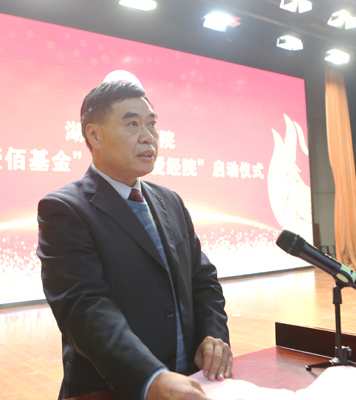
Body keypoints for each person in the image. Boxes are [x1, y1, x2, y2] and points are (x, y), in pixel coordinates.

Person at [37, 80, 232, 400]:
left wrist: (212, 336)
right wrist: (151, 378)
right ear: (94, 135)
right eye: (132, 124)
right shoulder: (65, 209)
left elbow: (202, 279)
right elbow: (84, 309)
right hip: (113, 390)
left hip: (189, 384)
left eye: (151, 124)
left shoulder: (170, 201)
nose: (148, 136)